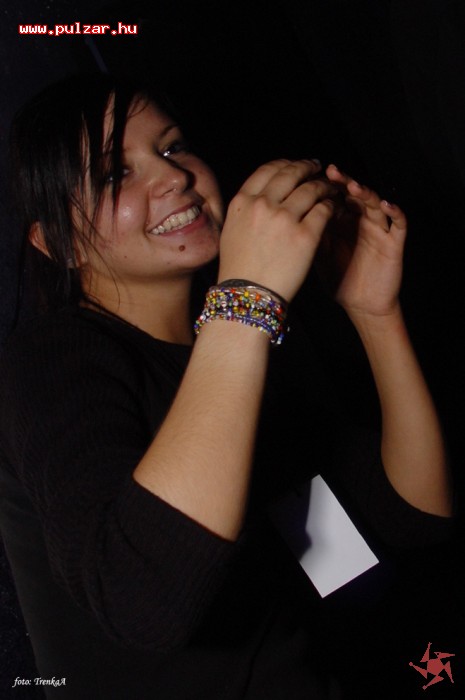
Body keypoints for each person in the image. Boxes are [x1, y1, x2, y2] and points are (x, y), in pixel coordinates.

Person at [0, 73, 453, 699]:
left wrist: (375, 314)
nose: (174, 176)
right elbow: (141, 596)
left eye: (173, 146)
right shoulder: (48, 359)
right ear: (58, 243)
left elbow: (413, 513)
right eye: (113, 174)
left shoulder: (234, 350)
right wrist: (246, 300)